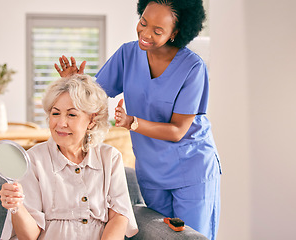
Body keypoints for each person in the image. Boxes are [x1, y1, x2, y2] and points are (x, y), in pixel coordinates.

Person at [55, 0, 221, 239]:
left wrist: (132, 123)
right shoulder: (128, 54)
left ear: (175, 32)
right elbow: (94, 95)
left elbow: (177, 130)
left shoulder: (192, 68)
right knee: (157, 235)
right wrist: (74, 82)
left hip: (191, 169)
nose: (145, 33)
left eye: (157, 30)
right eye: (143, 23)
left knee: (191, 236)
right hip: (151, 170)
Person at [0, 74, 138, 240]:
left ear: (92, 120)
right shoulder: (34, 160)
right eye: (55, 113)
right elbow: (29, 236)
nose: (61, 123)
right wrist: (17, 206)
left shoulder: (110, 158)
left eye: (71, 115)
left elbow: (119, 217)